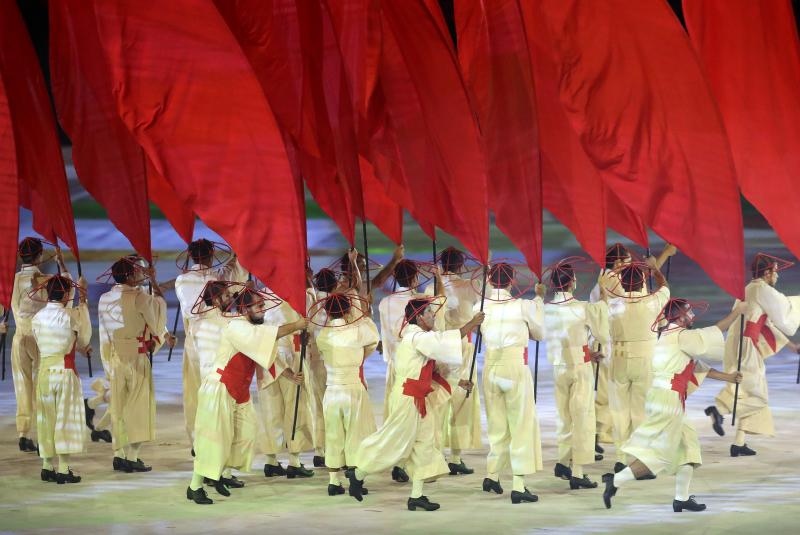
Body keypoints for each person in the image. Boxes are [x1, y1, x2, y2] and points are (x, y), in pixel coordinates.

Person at [603, 298, 744, 512]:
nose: (692, 316)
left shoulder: (669, 335)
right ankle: (616, 481)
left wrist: (729, 377)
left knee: (688, 448)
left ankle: (682, 498)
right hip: (667, 400)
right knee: (659, 455)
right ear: (679, 316)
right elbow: (712, 332)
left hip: (665, 397)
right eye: (688, 312)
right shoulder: (680, 336)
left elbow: (696, 366)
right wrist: (737, 313)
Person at [346, 297, 484, 511]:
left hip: (417, 396)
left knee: (424, 443)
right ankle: (358, 473)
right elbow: (444, 342)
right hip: (408, 397)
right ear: (419, 317)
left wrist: (459, 382)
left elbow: (432, 370)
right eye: (429, 313)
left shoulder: (418, 337)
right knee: (393, 442)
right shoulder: (416, 337)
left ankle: (416, 495)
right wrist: (472, 324)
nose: (432, 316)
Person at [187, 288, 307, 504]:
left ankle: (221, 473)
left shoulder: (251, 328)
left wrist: (289, 375)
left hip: (239, 391)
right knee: (214, 439)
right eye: (259, 306)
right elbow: (270, 336)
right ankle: (195, 486)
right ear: (245, 308)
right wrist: (297, 326)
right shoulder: (236, 327)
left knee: (244, 434)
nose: (264, 310)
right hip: (220, 388)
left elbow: (269, 356)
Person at [708, 253, 800, 456]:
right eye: (775, 272)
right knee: (757, 397)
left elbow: (766, 324)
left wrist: (792, 347)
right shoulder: (762, 289)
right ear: (767, 273)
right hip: (747, 344)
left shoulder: (747, 289)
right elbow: (784, 315)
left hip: (736, 341)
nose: (777, 276)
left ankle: (738, 443)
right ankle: (720, 411)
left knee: (746, 391)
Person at [478, 263, 545, 504]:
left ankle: (492, 475)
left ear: (489, 280)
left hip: (490, 368)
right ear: (511, 281)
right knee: (520, 426)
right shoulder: (522, 306)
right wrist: (539, 298)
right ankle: (518, 485)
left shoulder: (480, 306)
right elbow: (540, 333)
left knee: (497, 425)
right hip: (514, 367)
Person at [98, 257, 172, 473]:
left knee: (118, 408)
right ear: (130, 276)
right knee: (139, 408)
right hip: (136, 358)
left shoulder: (104, 298)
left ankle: (118, 454)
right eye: (139, 270)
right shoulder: (141, 298)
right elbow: (157, 325)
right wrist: (156, 286)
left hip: (115, 356)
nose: (142, 272)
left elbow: (104, 334)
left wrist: (107, 365)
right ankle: (132, 456)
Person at [175, 239, 247, 452]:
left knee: (200, 390)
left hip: (200, 337)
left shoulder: (186, 279)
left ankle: (202, 439)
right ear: (212, 253)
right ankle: (208, 440)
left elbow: (234, 285)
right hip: (210, 337)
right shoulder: (215, 278)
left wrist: (234, 261)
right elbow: (237, 284)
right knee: (212, 389)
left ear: (190, 255)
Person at [544, 261, 609, 490]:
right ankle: (578, 472)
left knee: (564, 418)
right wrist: (603, 302)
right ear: (572, 282)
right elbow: (602, 333)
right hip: (579, 369)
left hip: (558, 367)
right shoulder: (582, 308)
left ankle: (563, 462)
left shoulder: (546, 308)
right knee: (582, 418)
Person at [607, 258, 670, 473]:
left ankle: (620, 456)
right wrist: (654, 267)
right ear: (642, 281)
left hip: (619, 360)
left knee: (619, 410)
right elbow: (665, 287)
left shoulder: (612, 304)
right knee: (641, 411)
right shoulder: (653, 301)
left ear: (622, 284)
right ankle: (638, 458)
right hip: (645, 361)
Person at [423, 247, 482, 475]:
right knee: (461, 400)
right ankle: (455, 456)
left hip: (438, 346)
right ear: (459, 265)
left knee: (439, 397)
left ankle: (436, 451)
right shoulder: (469, 285)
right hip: (461, 345)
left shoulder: (431, 287)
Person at [314, 293, 380, 496]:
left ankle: (333, 482)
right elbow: (373, 340)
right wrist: (366, 314)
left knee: (334, 435)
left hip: (332, 389)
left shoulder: (323, 336)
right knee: (356, 434)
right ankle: (354, 479)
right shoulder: (358, 330)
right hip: (353, 388)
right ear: (349, 310)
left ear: (326, 311)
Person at [32, 275, 92, 484]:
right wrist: (83, 302)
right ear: (67, 294)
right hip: (64, 372)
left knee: (46, 419)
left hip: (44, 372)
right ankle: (64, 469)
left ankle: (47, 466)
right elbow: (84, 339)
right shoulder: (70, 316)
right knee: (65, 420)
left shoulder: (37, 317)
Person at [11, 238, 68, 453]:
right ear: (40, 255)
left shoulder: (11, 280)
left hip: (19, 337)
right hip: (39, 338)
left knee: (22, 386)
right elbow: (65, 293)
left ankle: (23, 433)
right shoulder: (44, 279)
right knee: (42, 388)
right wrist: (62, 263)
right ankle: (45, 435)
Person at [377, 259, 429, 483]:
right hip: (413, 366)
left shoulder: (385, 303)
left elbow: (384, 337)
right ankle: (406, 461)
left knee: (394, 415)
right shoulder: (419, 302)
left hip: (393, 365)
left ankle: (397, 460)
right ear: (416, 278)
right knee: (412, 417)